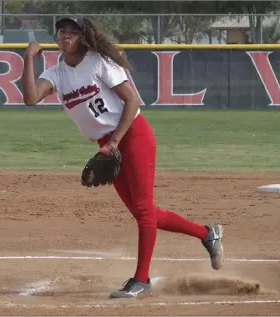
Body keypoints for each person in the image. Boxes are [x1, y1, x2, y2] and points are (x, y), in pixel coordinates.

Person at [21, 16, 224, 299]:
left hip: (132, 135)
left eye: (72, 32)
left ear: (83, 37)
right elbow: (30, 97)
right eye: (61, 31)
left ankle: (141, 279)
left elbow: (133, 101)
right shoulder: (56, 74)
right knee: (145, 213)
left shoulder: (98, 62)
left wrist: (115, 142)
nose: (65, 36)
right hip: (108, 145)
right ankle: (207, 234)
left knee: (143, 211)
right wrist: (28, 59)